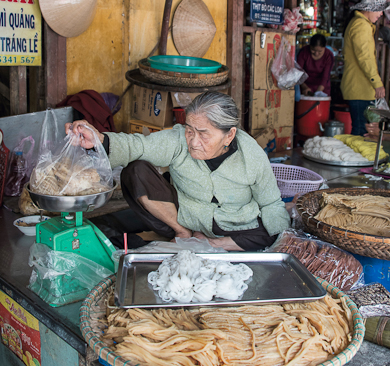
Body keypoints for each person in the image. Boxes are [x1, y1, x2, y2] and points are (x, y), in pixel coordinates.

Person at [66, 91, 290, 251]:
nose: (193, 141)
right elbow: (139, 146)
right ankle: (182, 233)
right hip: (184, 216)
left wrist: (285, 240)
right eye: (190, 130)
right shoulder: (178, 139)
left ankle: (213, 243)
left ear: (229, 135)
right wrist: (100, 140)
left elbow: (271, 203)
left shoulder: (251, 156)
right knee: (135, 171)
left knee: (270, 232)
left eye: (203, 134)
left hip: (233, 225)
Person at [341, 0, 390, 136]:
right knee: (362, 131)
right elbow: (365, 58)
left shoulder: (363, 24)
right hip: (359, 89)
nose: (381, 14)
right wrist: (377, 82)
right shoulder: (360, 26)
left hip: (362, 89)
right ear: (371, 8)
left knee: (366, 131)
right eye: (380, 9)